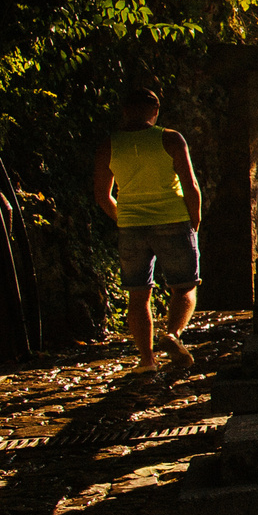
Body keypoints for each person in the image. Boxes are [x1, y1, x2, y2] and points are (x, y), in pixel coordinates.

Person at [93, 88, 202, 375]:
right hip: (173, 219)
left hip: (131, 225)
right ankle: (173, 334)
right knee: (184, 286)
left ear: (125, 111)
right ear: (155, 112)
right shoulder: (170, 138)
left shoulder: (110, 145)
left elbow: (102, 195)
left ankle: (146, 361)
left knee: (137, 295)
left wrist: (124, 218)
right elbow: (190, 185)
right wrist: (195, 219)